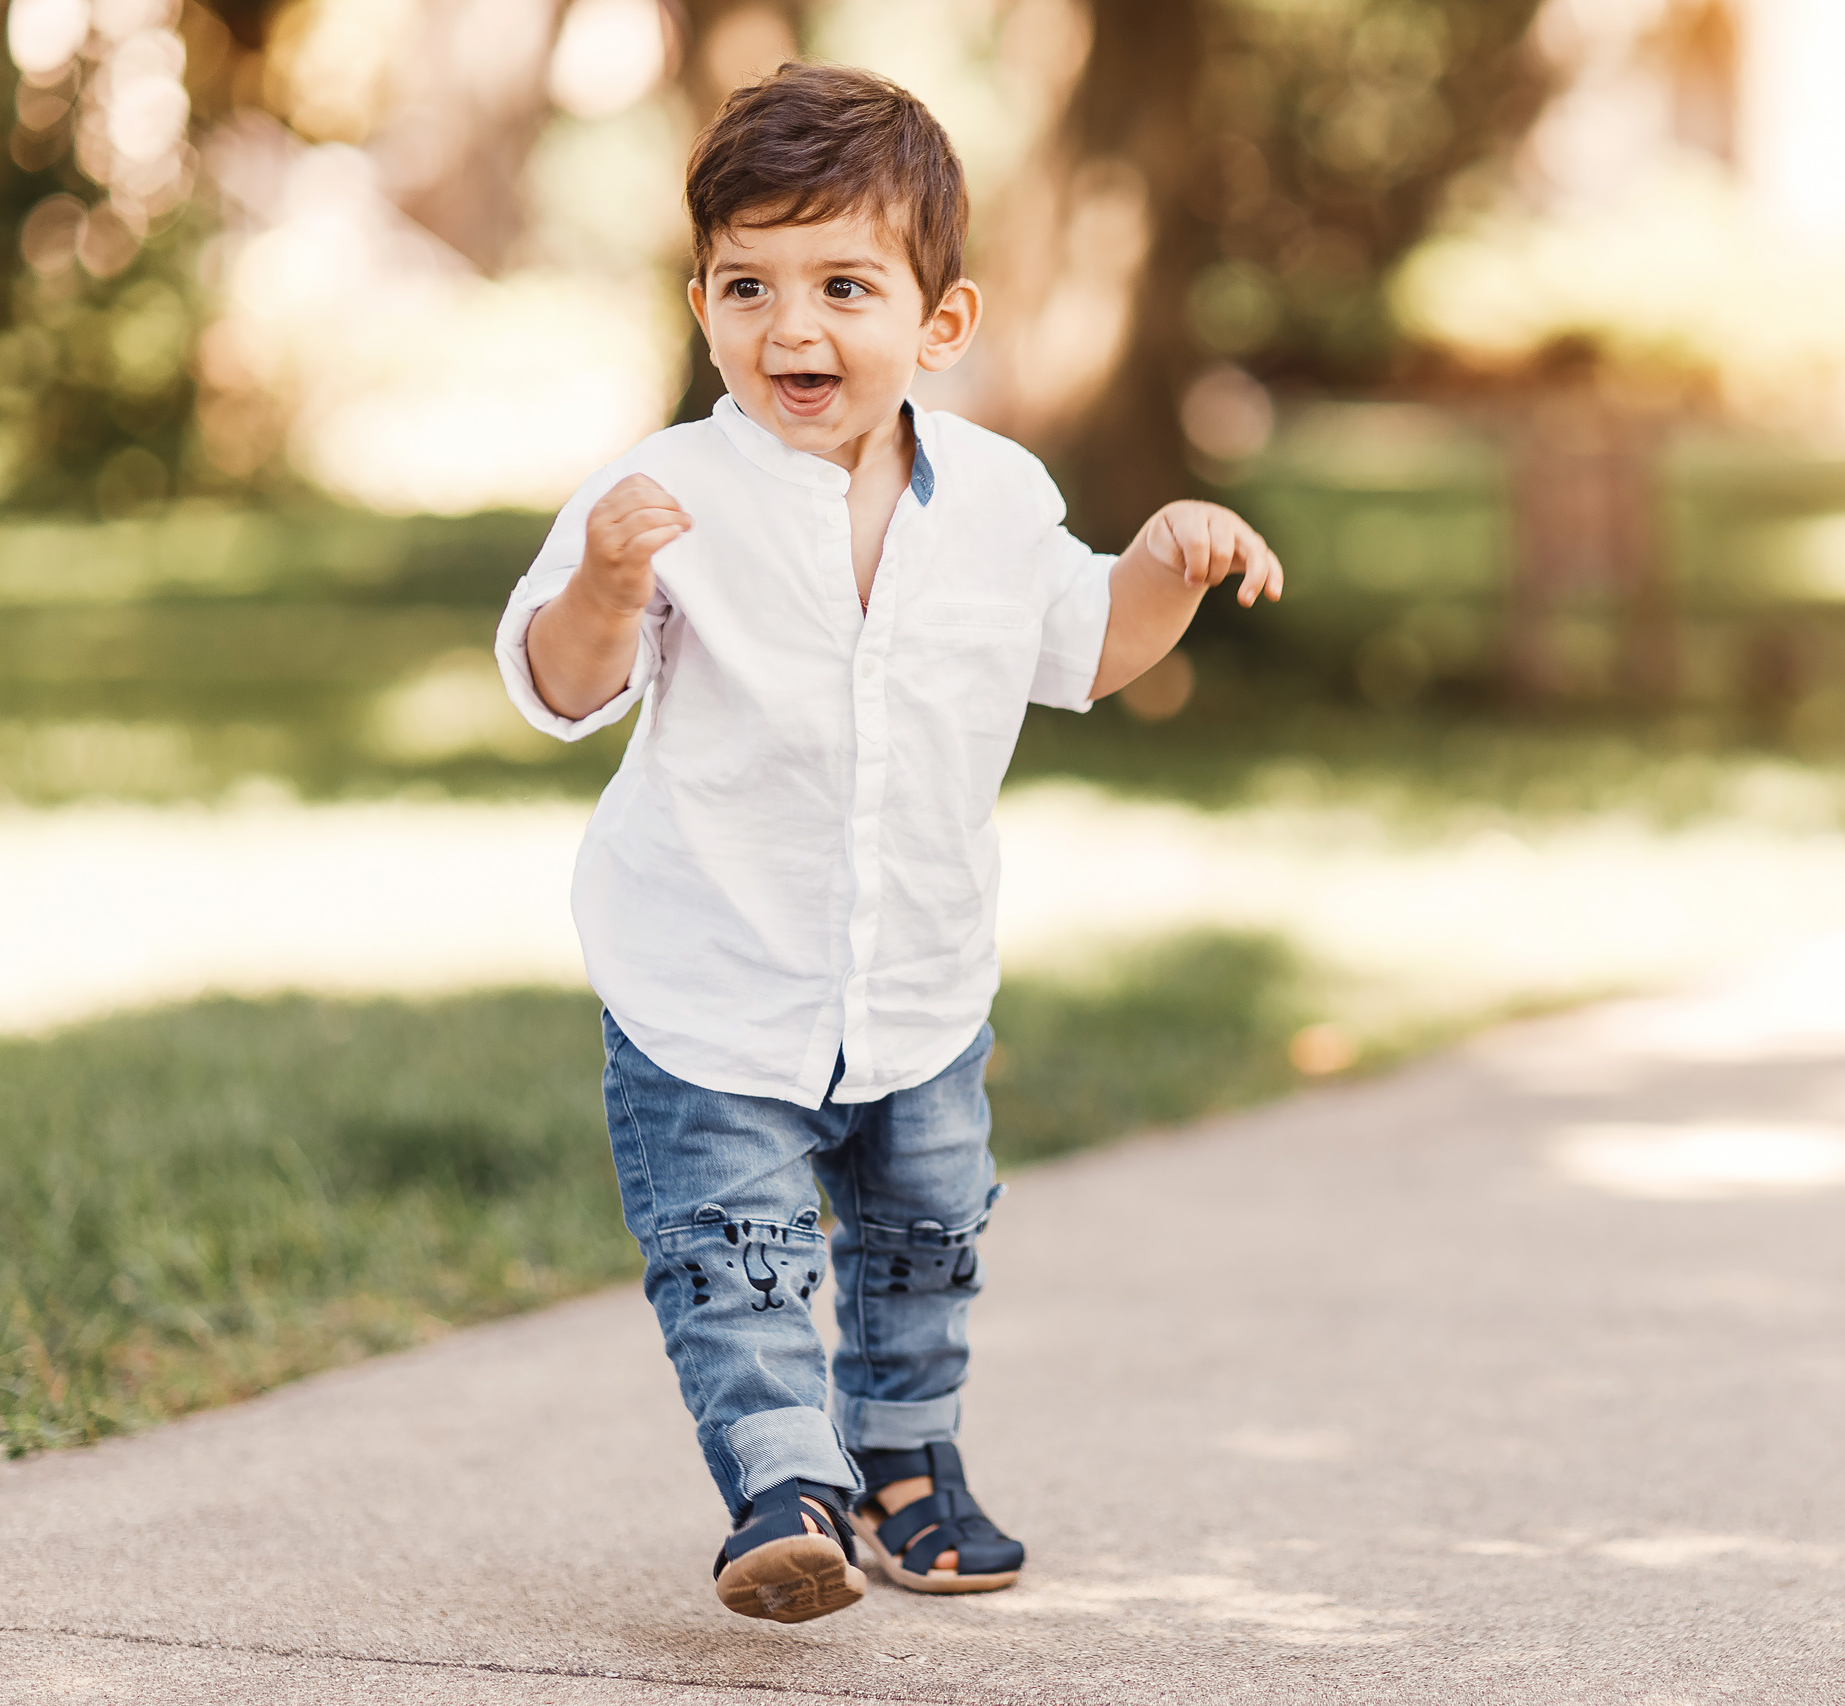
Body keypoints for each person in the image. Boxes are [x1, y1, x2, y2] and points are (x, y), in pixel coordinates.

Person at [492, 62, 1284, 1626]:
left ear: (941, 324)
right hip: (710, 986)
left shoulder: (996, 499)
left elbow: (1086, 648)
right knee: (741, 1253)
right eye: (748, 285)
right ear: (703, 300)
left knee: (924, 1240)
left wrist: (1169, 569)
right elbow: (558, 687)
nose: (793, 329)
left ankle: (910, 1465)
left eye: (843, 286)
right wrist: (600, 583)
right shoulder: (656, 495)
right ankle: (783, 1489)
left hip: (918, 986)